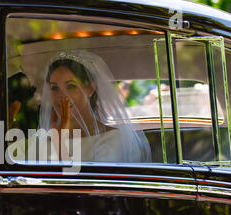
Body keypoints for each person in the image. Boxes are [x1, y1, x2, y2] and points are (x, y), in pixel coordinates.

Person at [9, 50, 151, 163]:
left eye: (71, 86)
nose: (62, 96)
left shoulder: (114, 140)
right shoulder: (40, 140)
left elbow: (88, 191)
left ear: (91, 89)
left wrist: (59, 144)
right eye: (54, 88)